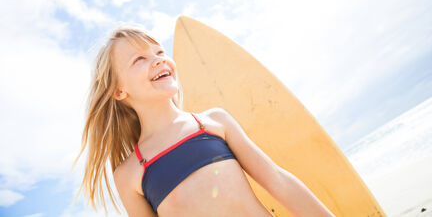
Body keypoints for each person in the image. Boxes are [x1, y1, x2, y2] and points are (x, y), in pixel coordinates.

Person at [72, 23, 336, 217]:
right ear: (119, 90)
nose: (157, 60)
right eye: (139, 58)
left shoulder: (213, 123)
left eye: (159, 52)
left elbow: (278, 181)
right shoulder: (130, 173)